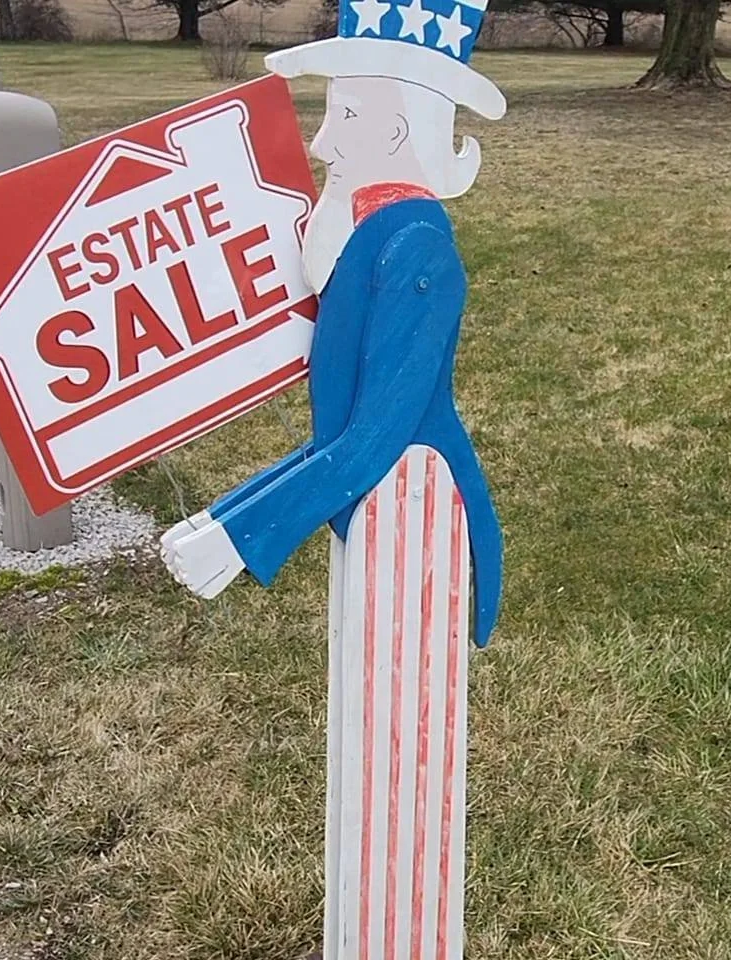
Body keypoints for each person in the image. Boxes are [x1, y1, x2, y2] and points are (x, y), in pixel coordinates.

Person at [162, 3, 506, 955]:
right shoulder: (368, 230)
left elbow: (378, 434)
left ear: (396, 132)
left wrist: (239, 532)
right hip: (379, 511)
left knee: (402, 753)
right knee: (371, 736)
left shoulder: (417, 247)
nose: (319, 141)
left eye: (344, 116)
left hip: (415, 510)